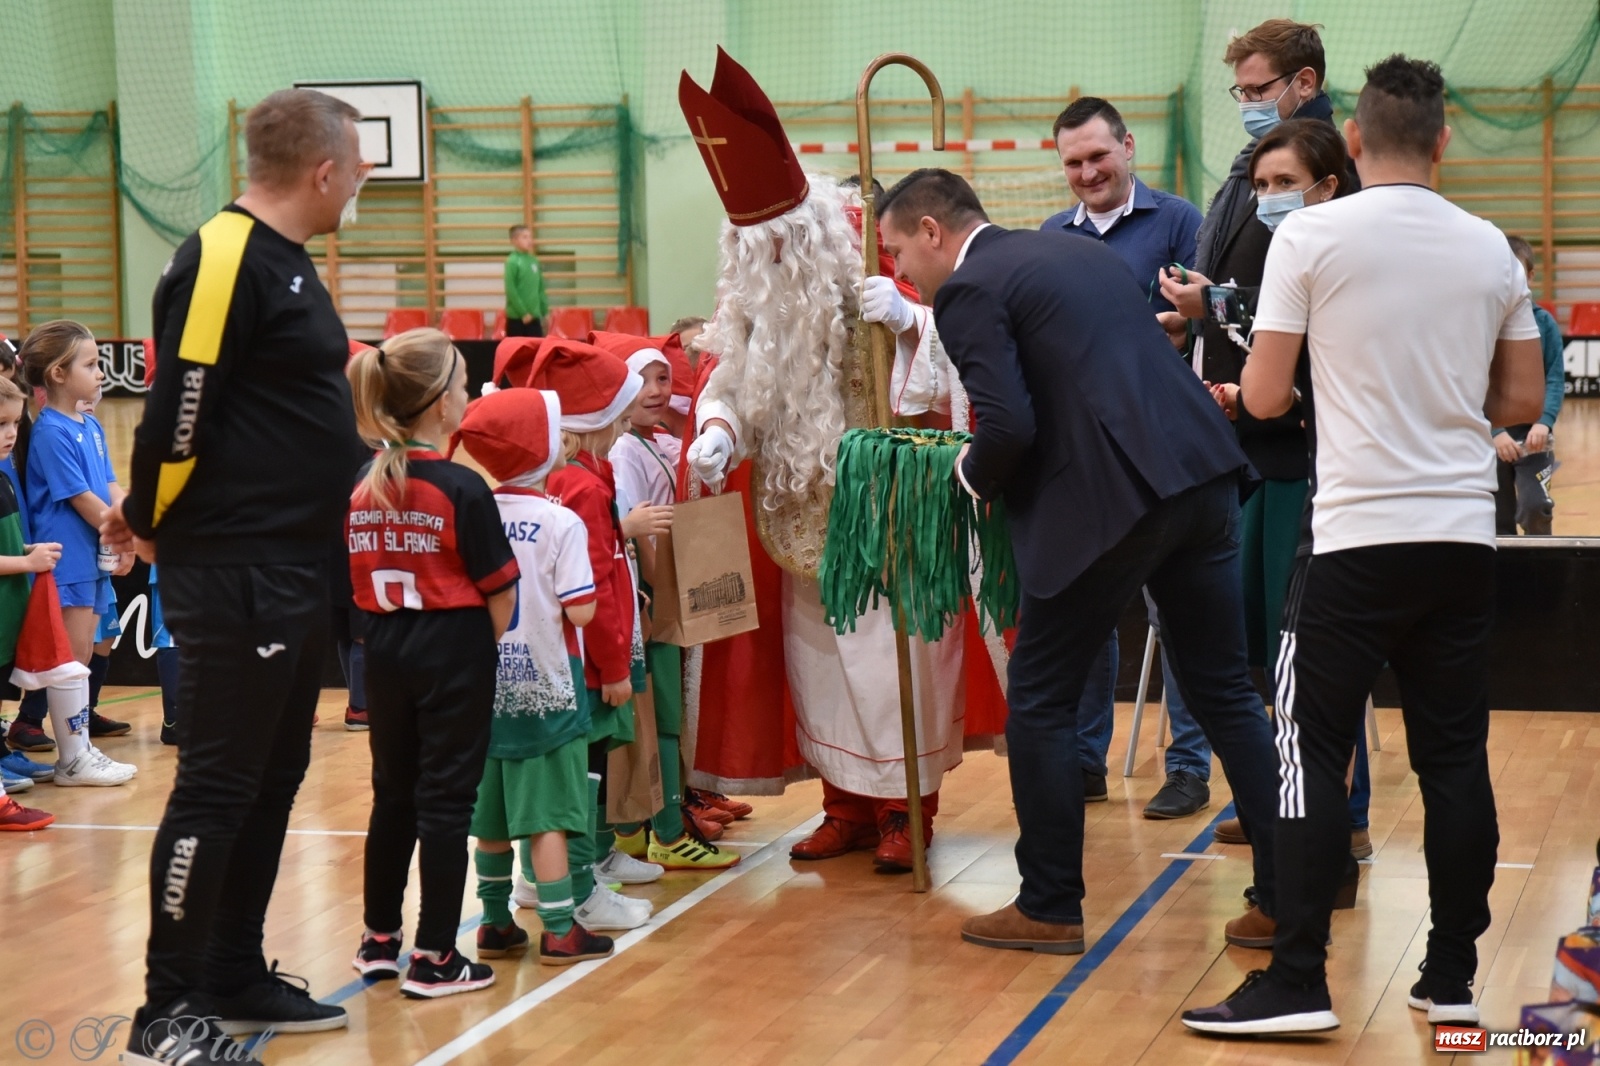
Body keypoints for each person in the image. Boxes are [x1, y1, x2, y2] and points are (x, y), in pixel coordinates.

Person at [1181, 56, 1545, 1035]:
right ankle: (1450, 977)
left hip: (1350, 541)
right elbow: (1516, 403)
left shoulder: (1312, 240)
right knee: (1453, 759)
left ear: (1355, 144)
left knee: (1305, 751)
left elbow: (1259, 397)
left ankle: (1297, 977)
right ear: (1441, 140)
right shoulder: (1488, 250)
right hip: (1460, 538)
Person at [877, 167, 1283, 956]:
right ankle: (1292, 887)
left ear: (932, 231)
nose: (899, 272)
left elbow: (1008, 429)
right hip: (1200, 478)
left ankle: (1051, 903)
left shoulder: (967, 290)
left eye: (897, 252)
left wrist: (961, 480)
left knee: (1039, 700)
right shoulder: (1075, 254)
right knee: (1227, 691)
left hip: (1110, 504)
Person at [103, 88, 368, 1062]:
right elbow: (180, 406)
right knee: (217, 784)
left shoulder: (289, 265)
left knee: (274, 773)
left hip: (295, 562)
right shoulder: (220, 255)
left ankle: (232, 970)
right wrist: (151, 517)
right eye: (362, 165)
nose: (368, 180)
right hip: (236, 567)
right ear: (324, 170)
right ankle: (165, 1012)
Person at [681, 49, 992, 872]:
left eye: (777, 247)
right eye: (753, 253)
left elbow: (965, 356)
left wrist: (910, 321)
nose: (768, 266)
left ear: (811, 231)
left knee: (899, 669)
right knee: (823, 670)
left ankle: (906, 810)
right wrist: (719, 427)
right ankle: (846, 805)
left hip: (893, 504)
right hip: (804, 514)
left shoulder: (875, 270)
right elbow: (735, 379)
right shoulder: (759, 303)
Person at [1043, 95, 1213, 818]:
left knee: (1179, 615)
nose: (1088, 172)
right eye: (1074, 163)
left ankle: (1188, 766)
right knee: (1088, 610)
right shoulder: (1051, 235)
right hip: (1085, 455)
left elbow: (1212, 320)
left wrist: (1179, 328)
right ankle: (1084, 760)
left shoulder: (1181, 223)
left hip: (1167, 450)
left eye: (1098, 156)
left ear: (1128, 147)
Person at [346, 329, 518, 998]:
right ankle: (438, 957)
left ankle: (379, 940)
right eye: (464, 385)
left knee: (393, 796)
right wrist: (481, 653)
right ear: (442, 402)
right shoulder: (460, 488)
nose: (470, 393)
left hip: (385, 653)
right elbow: (500, 591)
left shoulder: (361, 486)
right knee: (448, 802)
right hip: (454, 651)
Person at [458, 386, 620, 966]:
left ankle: (495, 922)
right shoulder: (561, 521)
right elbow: (579, 610)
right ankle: (557, 928)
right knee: (549, 813)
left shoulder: (472, 510)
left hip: (483, 686)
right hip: (548, 686)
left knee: (492, 811)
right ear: (546, 447)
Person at [19, 321, 137, 787]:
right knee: (68, 659)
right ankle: (72, 757)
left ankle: (80, 747)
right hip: (66, 559)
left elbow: (109, 487)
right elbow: (82, 499)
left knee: (84, 654)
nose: (100, 373)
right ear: (58, 374)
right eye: (90, 364)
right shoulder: (51, 432)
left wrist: (130, 526)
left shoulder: (88, 424)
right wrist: (120, 533)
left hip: (93, 557)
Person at [0, 372, 62, 820]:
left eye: (15, 425)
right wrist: (27, 564)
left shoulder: (2, 479)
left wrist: (26, 549)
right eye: (1, 424)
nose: (10, 434)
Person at [1493, 235, 1564, 536]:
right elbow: (1472, 384)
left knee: (1536, 508)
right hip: (1491, 440)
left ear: (1531, 276)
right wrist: (1494, 432)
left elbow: (1555, 379)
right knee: (1496, 521)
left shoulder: (1545, 325)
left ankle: (1542, 579)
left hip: (1534, 439)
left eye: (1518, 274)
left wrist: (1544, 423)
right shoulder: (1484, 323)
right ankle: (1503, 582)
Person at [505, 225, 548, 338]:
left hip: (534, 317)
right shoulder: (512, 261)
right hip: (518, 319)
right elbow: (511, 290)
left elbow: (540, 287)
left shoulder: (533, 260)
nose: (529, 240)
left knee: (536, 353)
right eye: (524, 237)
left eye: (530, 237)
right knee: (517, 354)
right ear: (514, 240)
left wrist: (544, 310)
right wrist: (524, 313)